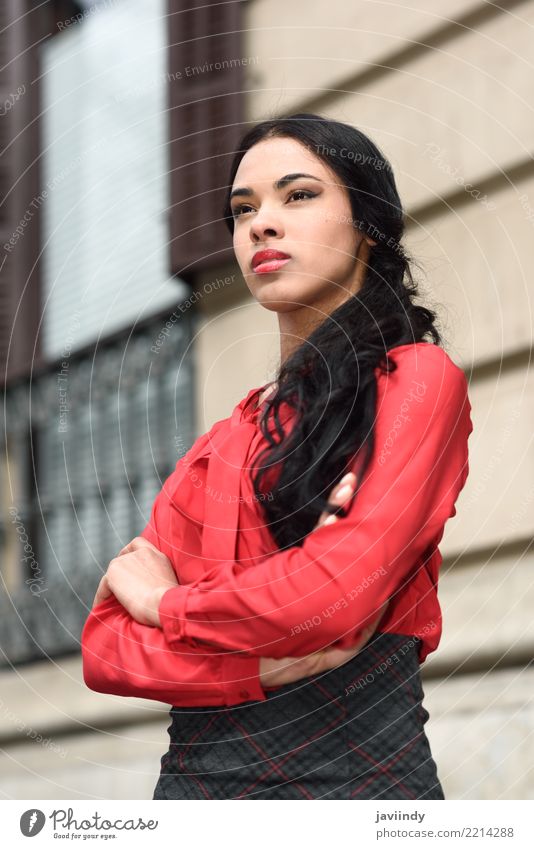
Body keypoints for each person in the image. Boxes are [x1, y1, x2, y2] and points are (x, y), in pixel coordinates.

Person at [81, 113, 473, 800]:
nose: (261, 223)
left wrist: (167, 602)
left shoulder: (416, 381)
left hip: (363, 791)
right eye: (242, 209)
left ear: (368, 224)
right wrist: (257, 665)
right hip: (196, 798)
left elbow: (330, 598)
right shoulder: (218, 445)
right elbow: (106, 646)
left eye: (298, 195)